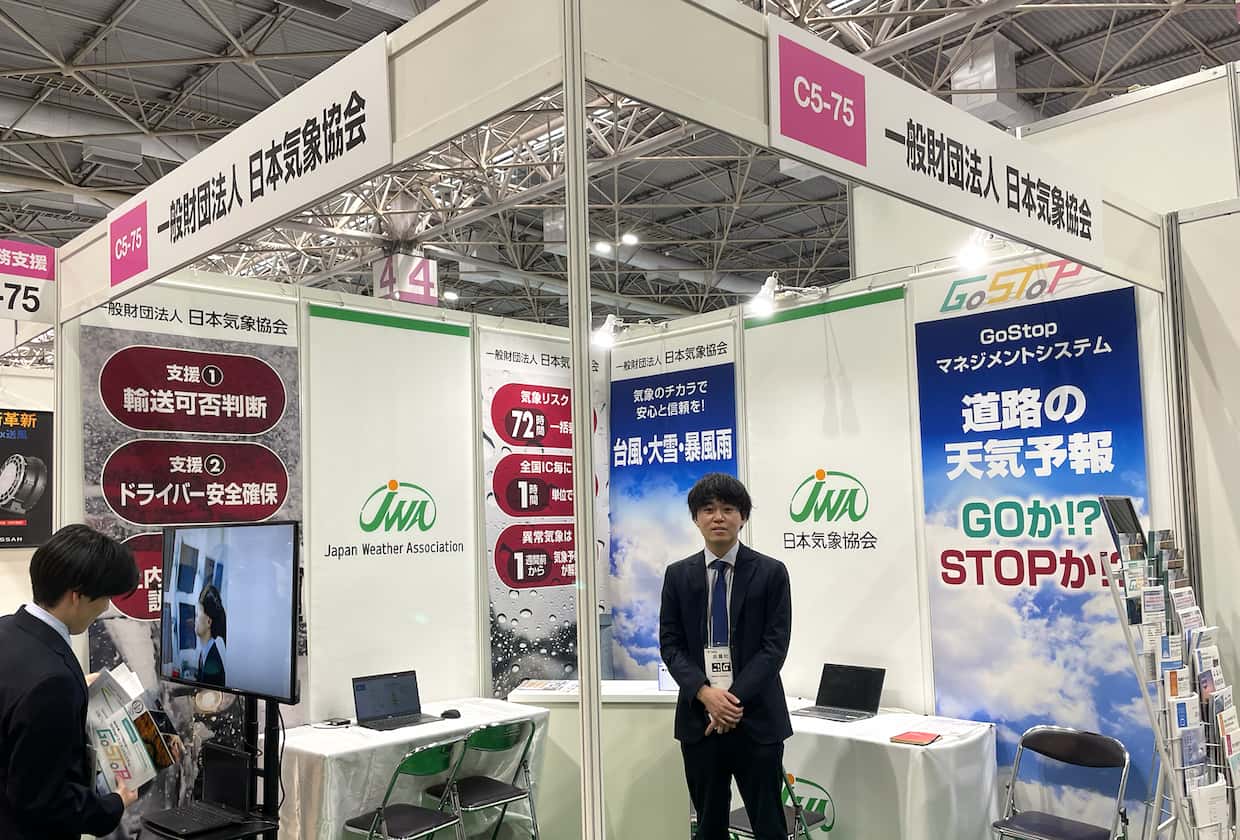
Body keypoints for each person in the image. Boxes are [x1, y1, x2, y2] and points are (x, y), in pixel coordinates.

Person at [660, 473, 793, 840]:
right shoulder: (677, 576)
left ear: (743, 517)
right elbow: (670, 644)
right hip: (700, 722)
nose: (718, 517)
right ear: (695, 518)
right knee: (708, 826)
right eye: (708, 509)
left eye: (728, 509)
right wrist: (706, 694)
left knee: (769, 826)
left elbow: (774, 647)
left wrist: (729, 702)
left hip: (756, 719)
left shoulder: (771, 573)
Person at [0, 523, 141, 840]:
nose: (105, 607)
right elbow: (42, 800)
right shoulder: (53, 682)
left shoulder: (8, 630)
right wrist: (113, 804)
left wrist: (75, 687)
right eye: (104, 597)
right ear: (76, 596)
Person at [195, 585, 227, 687]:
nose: (195, 620)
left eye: (197, 615)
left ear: (208, 622)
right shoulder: (204, 653)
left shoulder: (214, 660)